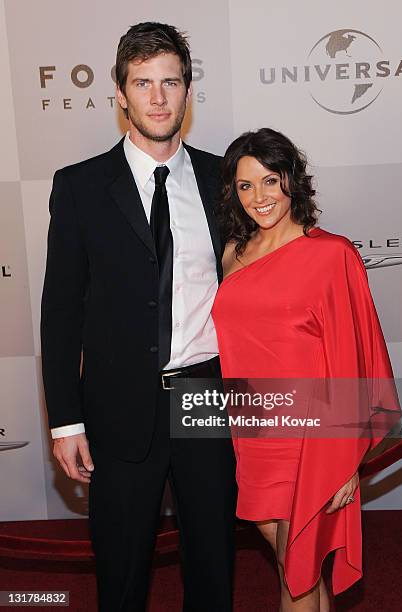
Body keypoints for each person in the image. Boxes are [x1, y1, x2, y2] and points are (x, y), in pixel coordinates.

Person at [41, 22, 236, 612]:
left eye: (170, 82)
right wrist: (65, 422)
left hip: (206, 398)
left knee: (214, 566)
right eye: (143, 83)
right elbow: (59, 313)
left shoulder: (221, 179)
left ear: (188, 91)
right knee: (122, 576)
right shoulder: (79, 187)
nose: (158, 98)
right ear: (120, 94)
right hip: (117, 404)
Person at [211, 128, 401, 611]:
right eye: (245, 185)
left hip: (311, 439)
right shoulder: (234, 251)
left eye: (270, 181)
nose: (259, 197)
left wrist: (343, 461)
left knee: (297, 570)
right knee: (293, 563)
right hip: (252, 430)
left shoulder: (332, 255)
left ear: (292, 180)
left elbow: (357, 360)